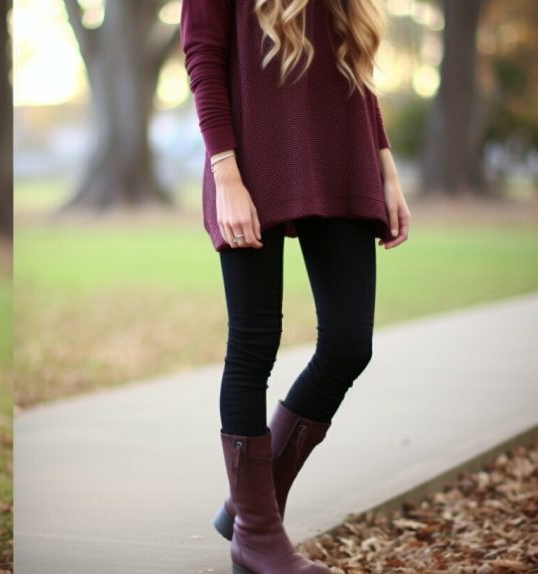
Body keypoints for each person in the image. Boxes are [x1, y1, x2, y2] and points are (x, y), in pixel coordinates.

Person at [180, 0, 411, 572]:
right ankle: (258, 533)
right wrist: (225, 174)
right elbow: (203, 59)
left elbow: (353, 62)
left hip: (340, 157)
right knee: (255, 341)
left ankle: (248, 511)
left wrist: (385, 166)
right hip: (251, 162)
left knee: (349, 345)